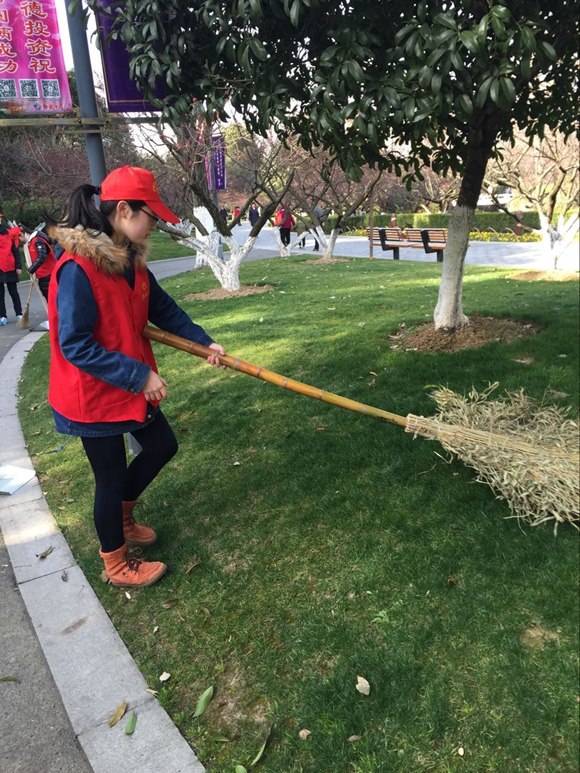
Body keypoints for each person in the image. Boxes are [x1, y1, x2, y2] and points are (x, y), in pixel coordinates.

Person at [47, 166, 225, 588]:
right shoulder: (78, 268)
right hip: (90, 394)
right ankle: (116, 563)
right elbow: (75, 344)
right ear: (124, 210)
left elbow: (161, 308)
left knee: (162, 445)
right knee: (108, 476)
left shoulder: (131, 261)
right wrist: (139, 376)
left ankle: (123, 517)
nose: (156, 225)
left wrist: (204, 343)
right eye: (152, 216)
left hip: (125, 386)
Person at [0, 212, 23, 325]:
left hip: (10, 265)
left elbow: (15, 251)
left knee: (13, 291)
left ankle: (19, 313)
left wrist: (18, 266)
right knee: (0, 294)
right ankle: (2, 316)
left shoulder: (9, 233)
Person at [26, 227, 58, 300]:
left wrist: (31, 269)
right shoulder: (33, 241)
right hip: (44, 275)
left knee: (52, 299)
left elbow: (42, 256)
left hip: (48, 273)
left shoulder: (37, 240)